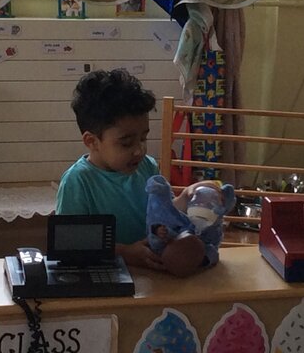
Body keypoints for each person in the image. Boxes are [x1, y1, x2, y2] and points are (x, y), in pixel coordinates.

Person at [55, 68, 220, 272]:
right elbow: (71, 244)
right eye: (126, 143)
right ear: (92, 141)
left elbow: (163, 213)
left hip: (154, 274)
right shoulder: (78, 181)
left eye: (143, 138)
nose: (139, 150)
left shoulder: (147, 166)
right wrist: (124, 252)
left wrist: (186, 197)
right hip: (110, 276)